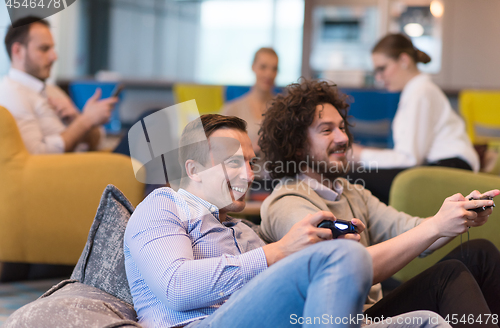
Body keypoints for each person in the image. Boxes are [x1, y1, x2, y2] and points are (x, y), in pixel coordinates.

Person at [124, 114, 450, 328]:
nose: (249, 175)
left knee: (427, 322)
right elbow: (177, 286)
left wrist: (316, 256)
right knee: (344, 256)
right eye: (233, 163)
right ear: (193, 170)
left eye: (251, 163)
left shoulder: (243, 232)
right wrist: (279, 252)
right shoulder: (163, 206)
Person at [258, 79, 500, 328]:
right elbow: (345, 272)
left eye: (342, 127)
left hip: (375, 309)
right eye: (327, 130)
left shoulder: (351, 192)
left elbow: (412, 230)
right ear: (297, 147)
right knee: (447, 277)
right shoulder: (286, 203)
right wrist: (437, 225)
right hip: (345, 319)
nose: (343, 138)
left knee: (480, 253)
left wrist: (458, 215)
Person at [348, 33, 479, 204]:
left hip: (452, 169)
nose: (379, 78)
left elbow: (408, 159)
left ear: (404, 60)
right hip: (442, 167)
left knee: (354, 180)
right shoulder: (416, 91)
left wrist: (360, 154)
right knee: (356, 178)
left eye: (382, 68)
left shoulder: (420, 92)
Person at [0, 16, 117, 154]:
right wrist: (85, 121)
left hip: (90, 163)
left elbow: (98, 142)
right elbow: (36, 155)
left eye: (52, 49)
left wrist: (78, 118)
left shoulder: (51, 90)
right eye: (44, 49)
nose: (54, 57)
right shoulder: (10, 93)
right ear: (17, 51)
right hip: (70, 172)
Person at [221, 47, 278, 155]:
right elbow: (220, 151)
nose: (269, 74)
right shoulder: (232, 110)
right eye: (263, 67)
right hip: (242, 170)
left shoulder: (284, 110)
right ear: (253, 67)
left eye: (274, 69)